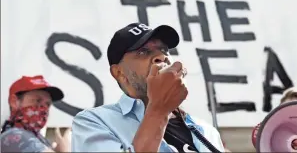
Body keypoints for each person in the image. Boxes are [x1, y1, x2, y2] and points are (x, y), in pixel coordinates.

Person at [72, 23, 225, 152]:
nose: (162, 57)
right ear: (119, 73)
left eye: (164, 50)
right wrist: (159, 109)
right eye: (143, 52)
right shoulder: (93, 122)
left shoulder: (206, 131)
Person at [1, 75, 71, 152]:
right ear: (14, 102)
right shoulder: (14, 136)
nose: (43, 108)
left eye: (47, 104)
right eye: (37, 100)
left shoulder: (39, 138)